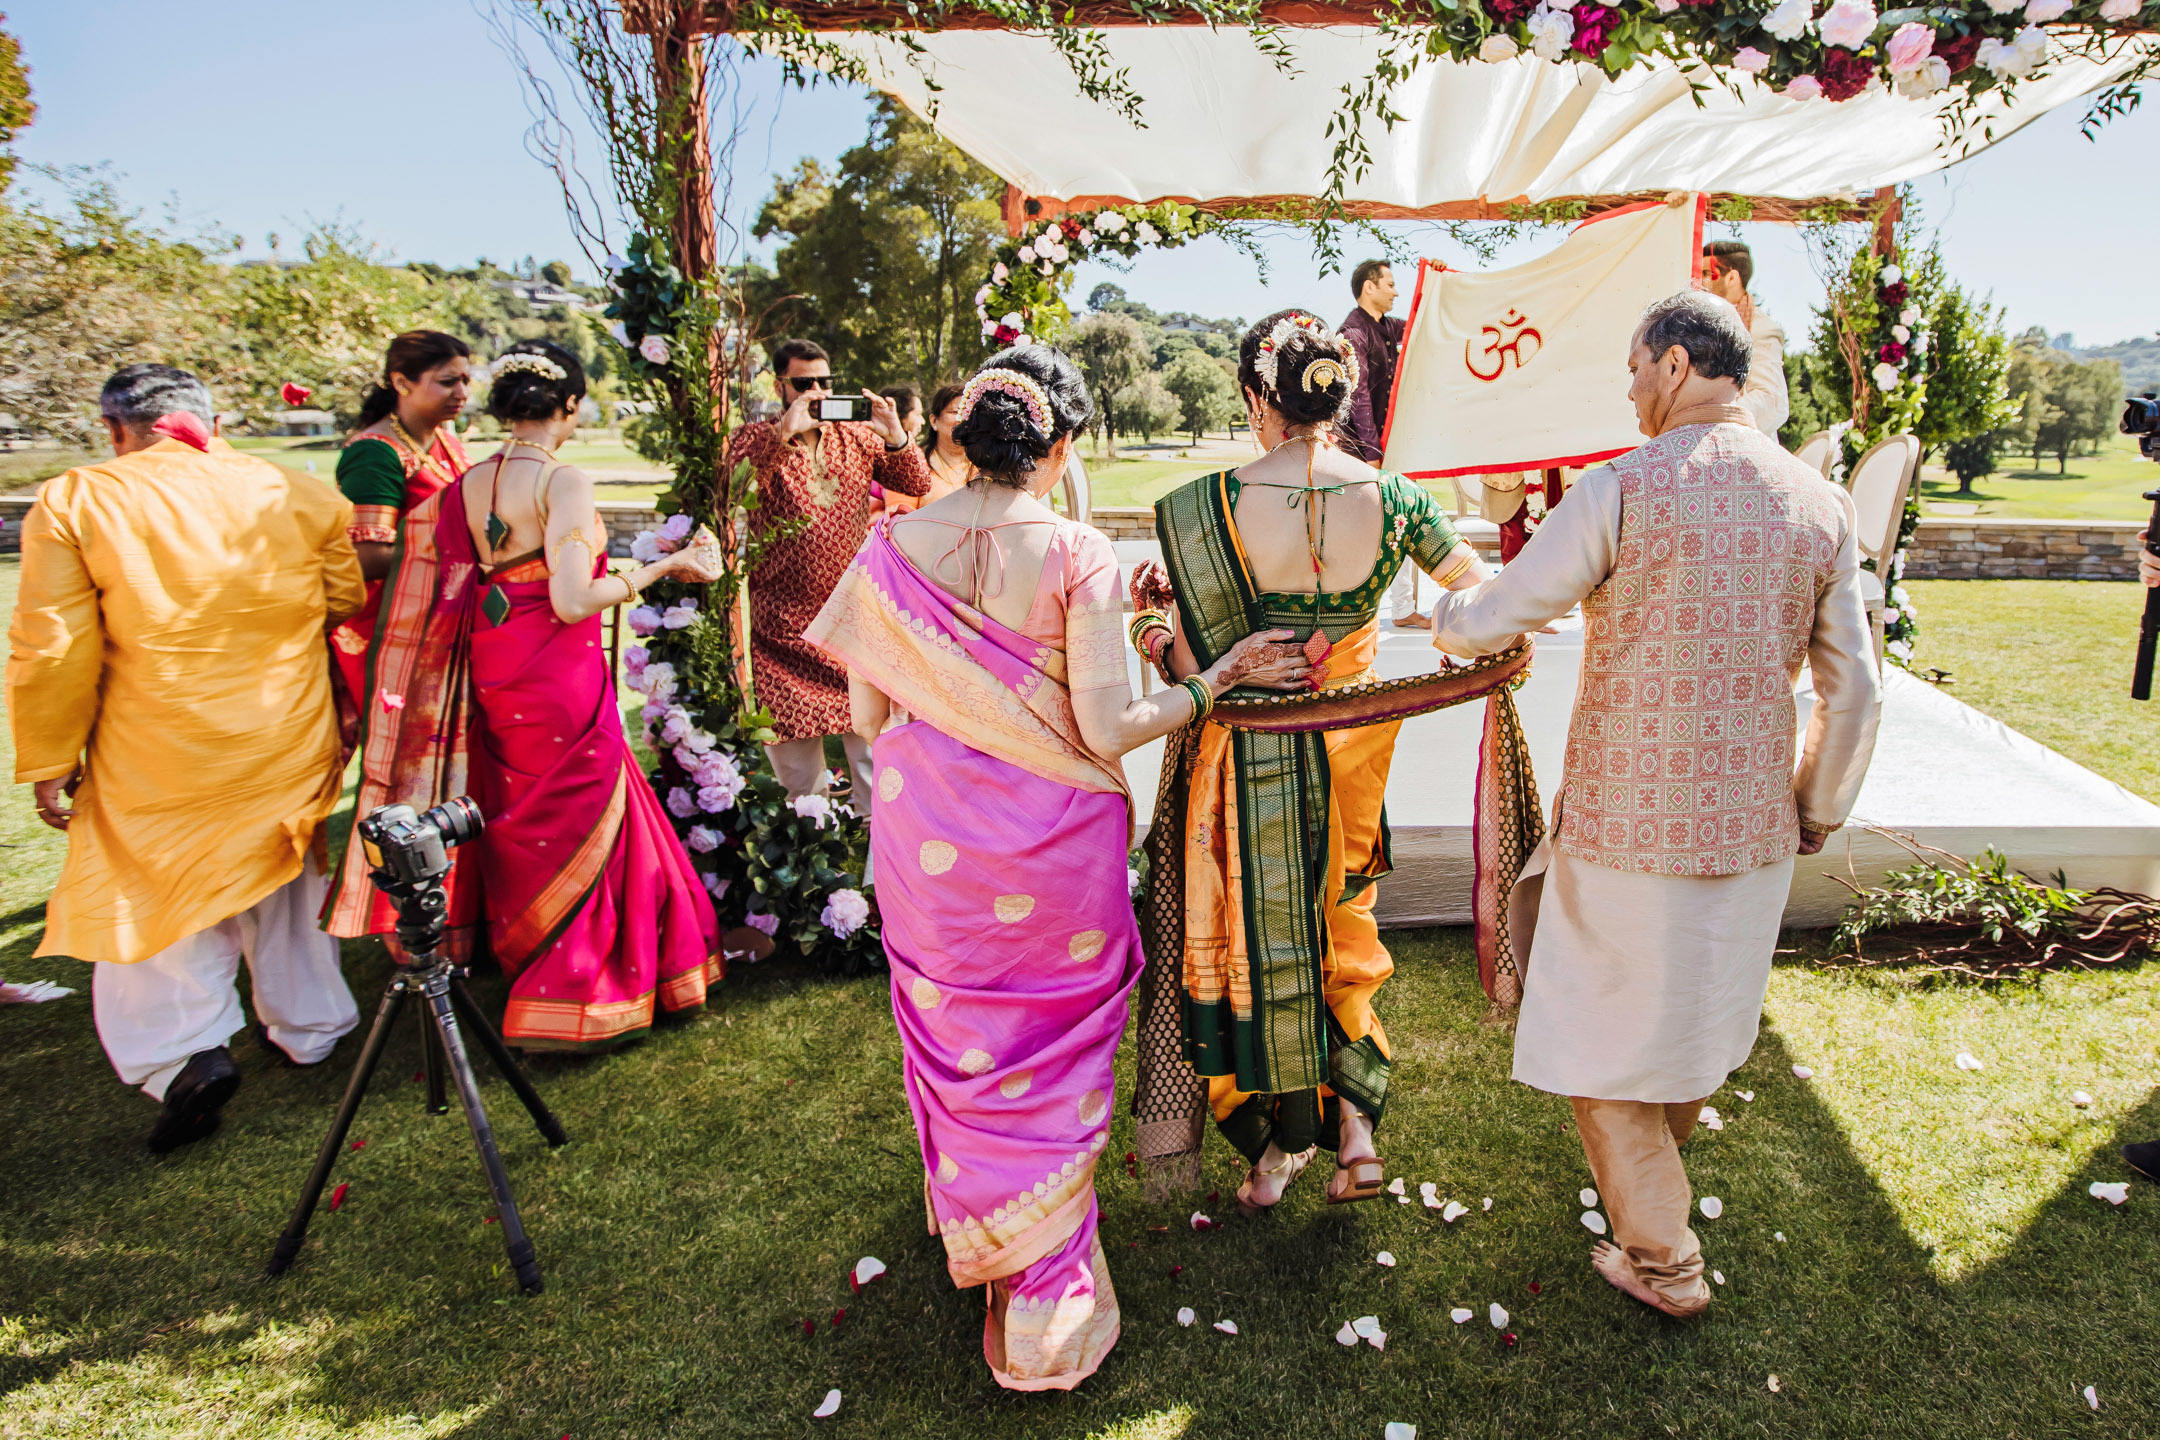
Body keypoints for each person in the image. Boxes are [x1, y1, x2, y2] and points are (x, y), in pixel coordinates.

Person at [803, 345, 1309, 1391]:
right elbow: (1109, 724)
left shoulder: (890, 546)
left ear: (957, 438)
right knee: (1051, 1038)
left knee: (965, 1033)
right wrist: (1215, 679)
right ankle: (1041, 1268)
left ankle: (994, 1223)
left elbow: (864, 716)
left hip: (927, 842)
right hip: (1050, 851)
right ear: (1063, 446)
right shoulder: (1077, 551)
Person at [1428, 291, 1880, 1317]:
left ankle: (1665, 1258)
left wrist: (1445, 617)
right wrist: (1819, 804)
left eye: (1636, 369)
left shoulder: (1624, 489)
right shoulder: (1819, 503)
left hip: (1630, 826)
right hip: (1752, 824)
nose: (1631, 392)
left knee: (1598, 1039)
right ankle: (1647, 1203)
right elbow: (1856, 687)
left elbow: (1500, 611)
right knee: (1684, 1032)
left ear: (1676, 365)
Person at [1132, 310, 1494, 1214]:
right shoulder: (1401, 499)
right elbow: (1480, 598)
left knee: (1256, 946)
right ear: (1341, 393)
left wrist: (1148, 628)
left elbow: (1193, 667)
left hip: (1245, 752)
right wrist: (1450, 646)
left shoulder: (1205, 507)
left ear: (1259, 397)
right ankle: (1356, 1133)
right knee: (1338, 926)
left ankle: (1276, 1154)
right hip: (1353, 749)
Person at [325, 341, 725, 1049]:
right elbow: (575, 600)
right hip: (554, 664)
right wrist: (668, 565)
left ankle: (524, 945)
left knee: (516, 805)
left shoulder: (468, 481)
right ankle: (581, 978)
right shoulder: (561, 479)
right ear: (569, 407)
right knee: (580, 806)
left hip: (494, 653)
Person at [7, 365, 364, 1152]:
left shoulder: (79, 499)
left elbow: (53, 649)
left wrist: (50, 755)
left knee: (157, 888)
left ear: (115, 429)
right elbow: (342, 599)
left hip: (157, 740)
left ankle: (185, 1055)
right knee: (287, 869)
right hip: (284, 729)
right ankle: (310, 1027)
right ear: (210, 419)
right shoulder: (297, 495)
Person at [727, 339, 930, 812]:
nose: (816, 391)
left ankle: (872, 844)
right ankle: (811, 853)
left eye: (825, 382)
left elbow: (917, 482)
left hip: (852, 621)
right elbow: (730, 490)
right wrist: (781, 435)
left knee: (872, 754)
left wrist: (896, 435)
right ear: (780, 385)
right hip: (782, 631)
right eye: (803, 383)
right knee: (799, 776)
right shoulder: (754, 439)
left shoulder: (858, 436)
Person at [330, 330, 475, 708]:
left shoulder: (447, 442)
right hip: (393, 627)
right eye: (447, 382)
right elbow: (366, 556)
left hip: (444, 615)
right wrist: (462, 552)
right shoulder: (376, 453)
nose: (461, 393)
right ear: (400, 382)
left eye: (465, 381)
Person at [1338, 259, 1426, 630]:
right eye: (1390, 284)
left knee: (1400, 518)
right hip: (1360, 448)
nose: (1396, 291)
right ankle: (1352, 610)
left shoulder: (1388, 327)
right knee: (1363, 527)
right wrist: (1372, 453)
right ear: (1369, 287)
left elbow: (1423, 322)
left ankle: (1403, 608)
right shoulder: (1351, 333)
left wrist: (1433, 281)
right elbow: (1357, 397)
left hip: (1388, 445)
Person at [1701, 240, 1790, 438]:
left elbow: (1772, 400)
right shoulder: (1701, 326)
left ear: (1732, 277)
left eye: (1706, 273)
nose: (1699, 282)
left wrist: (1710, 420)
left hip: (1745, 451)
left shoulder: (1761, 329)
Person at [868, 383, 926, 520]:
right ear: (898, 415)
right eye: (918, 414)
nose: (922, 421)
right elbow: (897, 516)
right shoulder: (894, 461)